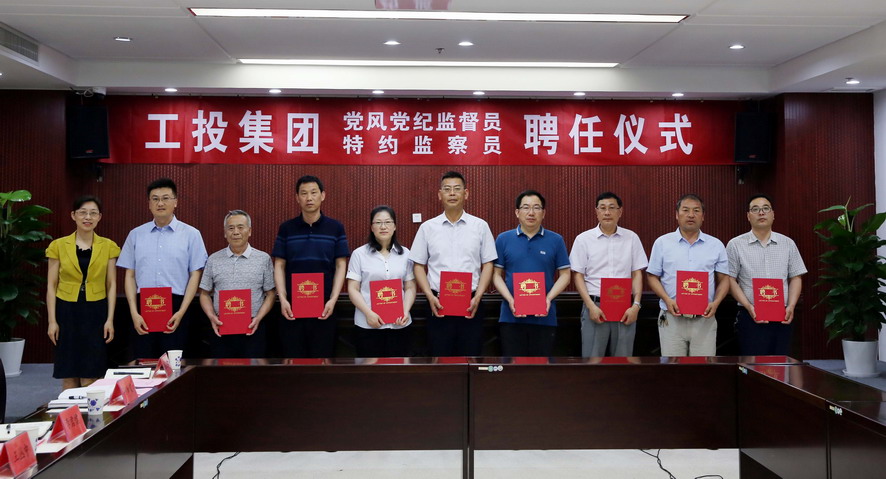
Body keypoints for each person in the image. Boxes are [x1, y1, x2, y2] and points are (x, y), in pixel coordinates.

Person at [117, 178, 207, 359]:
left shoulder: (191, 234)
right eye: (155, 199)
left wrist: (181, 312)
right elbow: (129, 275)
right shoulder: (136, 234)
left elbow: (195, 275)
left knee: (174, 366)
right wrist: (134, 313)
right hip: (143, 308)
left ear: (175, 202)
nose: (160, 203)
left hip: (177, 306)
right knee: (144, 362)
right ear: (149, 203)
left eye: (166, 198)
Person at [410, 171, 497, 357]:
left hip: (471, 303)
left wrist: (478, 296)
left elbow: (488, 263)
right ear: (439, 194)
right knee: (440, 358)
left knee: (471, 358)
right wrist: (429, 296)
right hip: (437, 303)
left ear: (466, 194)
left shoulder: (480, 226)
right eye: (447, 189)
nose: (452, 193)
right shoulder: (427, 228)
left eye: (457, 189)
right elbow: (418, 265)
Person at [45, 196, 119, 389]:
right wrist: (52, 321)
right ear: (73, 215)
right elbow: (51, 285)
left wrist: (109, 319)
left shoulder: (108, 246)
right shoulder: (58, 246)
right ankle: (71, 408)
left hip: (96, 311)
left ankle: (91, 408)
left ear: (99, 217)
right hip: (66, 310)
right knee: (68, 372)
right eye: (83, 213)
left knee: (91, 373)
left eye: (93, 213)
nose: (88, 217)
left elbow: (111, 284)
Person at [272, 175, 349, 358]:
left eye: (314, 193)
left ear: (323, 195)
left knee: (322, 360)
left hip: (325, 307)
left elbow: (341, 265)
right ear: (297, 197)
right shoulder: (286, 228)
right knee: (293, 359)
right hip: (291, 307)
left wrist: (333, 299)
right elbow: (279, 265)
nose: (309, 198)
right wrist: (283, 298)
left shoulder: (335, 228)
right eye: (304, 193)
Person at [647, 194, 729, 357]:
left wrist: (716, 302)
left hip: (704, 319)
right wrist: (667, 299)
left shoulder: (716, 245)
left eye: (696, 211)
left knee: (703, 368)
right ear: (677, 215)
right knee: (673, 368)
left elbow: (724, 279)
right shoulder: (662, 243)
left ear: (703, 216)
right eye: (685, 210)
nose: (691, 215)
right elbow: (652, 277)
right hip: (671, 319)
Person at [491, 190, 570, 357]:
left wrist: (548, 298)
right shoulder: (503, 239)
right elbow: (496, 275)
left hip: (545, 316)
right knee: (513, 367)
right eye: (526, 207)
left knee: (541, 368)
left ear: (543, 213)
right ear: (517, 212)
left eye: (536, 208)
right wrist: (510, 299)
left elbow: (565, 275)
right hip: (511, 316)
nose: (531, 212)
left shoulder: (556, 240)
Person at [569, 192, 648, 357]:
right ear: (596, 211)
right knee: (592, 360)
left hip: (625, 308)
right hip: (595, 306)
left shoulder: (632, 238)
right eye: (602, 208)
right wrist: (590, 306)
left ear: (620, 212)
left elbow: (637, 274)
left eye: (612, 208)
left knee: (623, 361)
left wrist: (636, 305)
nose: (607, 212)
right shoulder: (583, 239)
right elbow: (578, 276)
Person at [727, 194, 807, 356]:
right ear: (748, 216)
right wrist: (748, 306)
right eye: (755, 209)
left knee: (781, 363)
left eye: (765, 208)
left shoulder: (788, 243)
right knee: (752, 364)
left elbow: (796, 277)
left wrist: (791, 306)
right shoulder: (735, 245)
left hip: (783, 315)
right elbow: (729, 280)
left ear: (773, 214)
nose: (761, 213)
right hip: (750, 315)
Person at [198, 210, 276, 358]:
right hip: (221, 329)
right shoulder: (214, 259)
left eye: (240, 227)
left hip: (253, 329)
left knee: (253, 371)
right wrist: (211, 316)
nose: (236, 232)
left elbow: (271, 293)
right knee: (222, 371)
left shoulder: (263, 259)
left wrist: (258, 318)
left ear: (249, 231)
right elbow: (204, 293)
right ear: (225, 233)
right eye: (231, 228)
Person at [346, 205, 417, 357]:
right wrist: (368, 313)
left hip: (399, 325)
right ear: (372, 227)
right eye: (378, 222)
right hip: (368, 325)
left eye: (388, 222)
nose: (383, 227)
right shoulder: (359, 254)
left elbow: (410, 287)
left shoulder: (406, 254)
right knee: (370, 370)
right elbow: (353, 288)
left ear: (395, 226)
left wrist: (405, 311)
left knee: (399, 369)